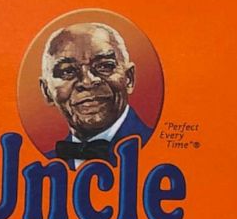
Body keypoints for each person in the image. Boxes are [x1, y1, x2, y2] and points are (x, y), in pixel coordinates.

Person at [38, 22, 152, 164]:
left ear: (129, 78)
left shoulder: (159, 149)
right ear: (47, 91)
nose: (87, 82)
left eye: (104, 66)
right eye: (68, 71)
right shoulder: (45, 164)